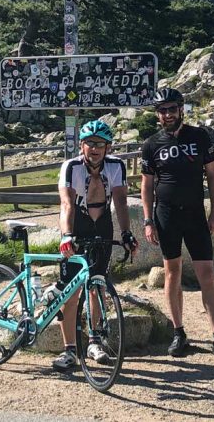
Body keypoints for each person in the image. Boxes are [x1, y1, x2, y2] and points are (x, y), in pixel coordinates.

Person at [140, 88, 214, 362]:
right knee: (172, 272)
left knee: (206, 274)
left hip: (196, 214)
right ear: (157, 114)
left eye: (171, 109)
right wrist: (148, 220)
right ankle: (178, 333)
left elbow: (212, 176)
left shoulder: (199, 137)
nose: (167, 114)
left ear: (180, 109)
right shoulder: (151, 144)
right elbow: (147, 185)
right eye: (162, 110)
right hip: (166, 215)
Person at [52, 119, 138, 372]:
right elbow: (66, 203)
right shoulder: (71, 167)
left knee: (97, 284)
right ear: (81, 145)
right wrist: (67, 235)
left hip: (102, 225)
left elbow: (120, 202)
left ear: (108, 147)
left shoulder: (116, 166)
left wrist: (126, 233)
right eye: (90, 143)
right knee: (70, 290)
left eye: (100, 143)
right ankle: (68, 350)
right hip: (77, 224)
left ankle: (94, 341)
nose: (95, 148)